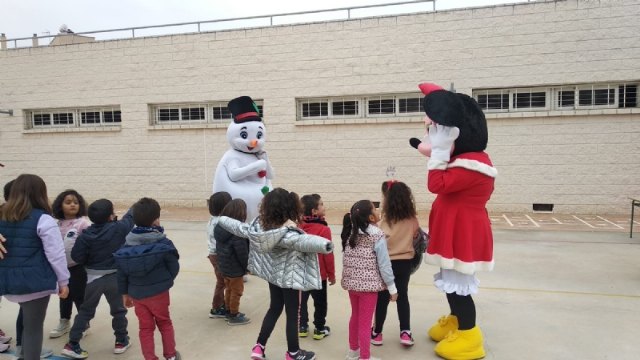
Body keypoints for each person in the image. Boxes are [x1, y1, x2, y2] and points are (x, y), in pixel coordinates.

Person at [412, 82, 497, 360]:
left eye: (437, 130)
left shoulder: (471, 165)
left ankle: (470, 336)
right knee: (450, 281)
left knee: (459, 286)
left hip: (463, 233)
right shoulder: (466, 159)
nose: (433, 136)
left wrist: (438, 151)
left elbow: (435, 184)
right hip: (455, 229)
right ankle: (456, 321)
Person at [217, 187, 333, 360]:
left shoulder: (260, 227)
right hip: (289, 278)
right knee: (292, 313)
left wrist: (222, 219)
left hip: (273, 276)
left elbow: (240, 228)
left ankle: (259, 347)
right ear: (289, 207)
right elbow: (304, 241)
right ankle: (293, 352)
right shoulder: (288, 231)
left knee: (274, 308)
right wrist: (326, 245)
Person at [0, 174, 70, 360]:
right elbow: (56, 254)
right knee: (33, 329)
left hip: (6, 282)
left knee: (24, 315)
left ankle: (21, 353)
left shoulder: (2, 215)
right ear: (40, 193)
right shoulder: (43, 219)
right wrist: (63, 281)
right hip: (34, 283)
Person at [61, 199, 134, 359]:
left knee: (86, 311)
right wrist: (138, 204)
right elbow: (131, 217)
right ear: (110, 216)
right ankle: (121, 340)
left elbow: (76, 256)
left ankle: (72, 343)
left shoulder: (86, 235)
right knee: (118, 311)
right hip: (115, 278)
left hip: (93, 279)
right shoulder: (119, 228)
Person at [114, 197, 181, 360]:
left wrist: (125, 294)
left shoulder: (126, 245)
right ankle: (170, 355)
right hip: (159, 293)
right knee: (164, 322)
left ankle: (150, 357)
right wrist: (165, 281)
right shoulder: (164, 243)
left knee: (145, 328)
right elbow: (174, 266)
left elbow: (121, 272)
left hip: (137, 295)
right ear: (156, 220)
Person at [341, 200, 397, 360]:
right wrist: (392, 288)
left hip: (353, 286)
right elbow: (384, 264)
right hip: (369, 288)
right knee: (365, 323)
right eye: (375, 209)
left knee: (355, 317)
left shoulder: (350, 232)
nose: (378, 211)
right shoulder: (377, 235)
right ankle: (365, 356)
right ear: (371, 218)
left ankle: (353, 351)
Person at [372, 180, 420, 347]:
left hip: (386, 264)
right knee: (403, 296)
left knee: (382, 298)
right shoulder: (412, 219)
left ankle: (377, 333)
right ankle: (405, 332)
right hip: (405, 263)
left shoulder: (385, 220)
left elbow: (378, 239)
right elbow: (416, 236)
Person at [49, 190, 91, 339]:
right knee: (64, 295)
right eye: (68, 202)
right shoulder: (56, 224)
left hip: (78, 267)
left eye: (75, 202)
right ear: (60, 205)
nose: (72, 205)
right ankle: (64, 322)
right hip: (61, 267)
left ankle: (83, 323)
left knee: (79, 296)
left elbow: (90, 243)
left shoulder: (83, 223)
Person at [298, 194, 335, 340]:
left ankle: (302, 327)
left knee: (301, 301)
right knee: (320, 303)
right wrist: (331, 274)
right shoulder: (324, 230)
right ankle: (319, 329)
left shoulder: (298, 227)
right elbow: (328, 255)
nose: (324, 206)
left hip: (301, 273)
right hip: (319, 275)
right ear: (314, 211)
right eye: (321, 204)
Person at [214, 198, 251, 326]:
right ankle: (234, 315)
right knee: (237, 291)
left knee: (229, 289)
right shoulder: (237, 231)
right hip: (235, 268)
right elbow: (242, 253)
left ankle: (229, 310)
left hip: (224, 266)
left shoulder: (220, 226)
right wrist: (247, 267)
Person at [207, 191, 232, 318]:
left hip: (214, 254)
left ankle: (223, 304)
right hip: (218, 255)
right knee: (222, 282)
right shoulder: (221, 222)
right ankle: (217, 308)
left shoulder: (214, 219)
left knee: (222, 281)